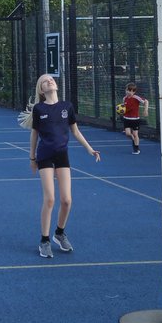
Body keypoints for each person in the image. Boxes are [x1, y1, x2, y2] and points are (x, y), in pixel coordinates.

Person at [29, 74, 100, 258]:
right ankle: (44, 240)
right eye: (44, 81)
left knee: (67, 200)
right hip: (44, 156)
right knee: (50, 199)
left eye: (51, 79)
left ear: (56, 85)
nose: (49, 81)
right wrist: (32, 158)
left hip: (62, 156)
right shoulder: (39, 109)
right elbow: (34, 134)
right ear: (41, 90)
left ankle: (59, 233)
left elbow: (75, 131)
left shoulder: (67, 107)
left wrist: (90, 149)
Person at [120, 83, 149, 155]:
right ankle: (133, 139)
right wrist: (121, 111)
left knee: (135, 134)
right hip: (126, 119)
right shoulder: (124, 98)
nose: (128, 92)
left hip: (135, 119)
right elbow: (123, 107)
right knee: (127, 134)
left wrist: (146, 110)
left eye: (130, 91)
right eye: (127, 90)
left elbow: (146, 101)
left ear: (134, 92)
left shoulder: (136, 98)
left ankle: (136, 148)